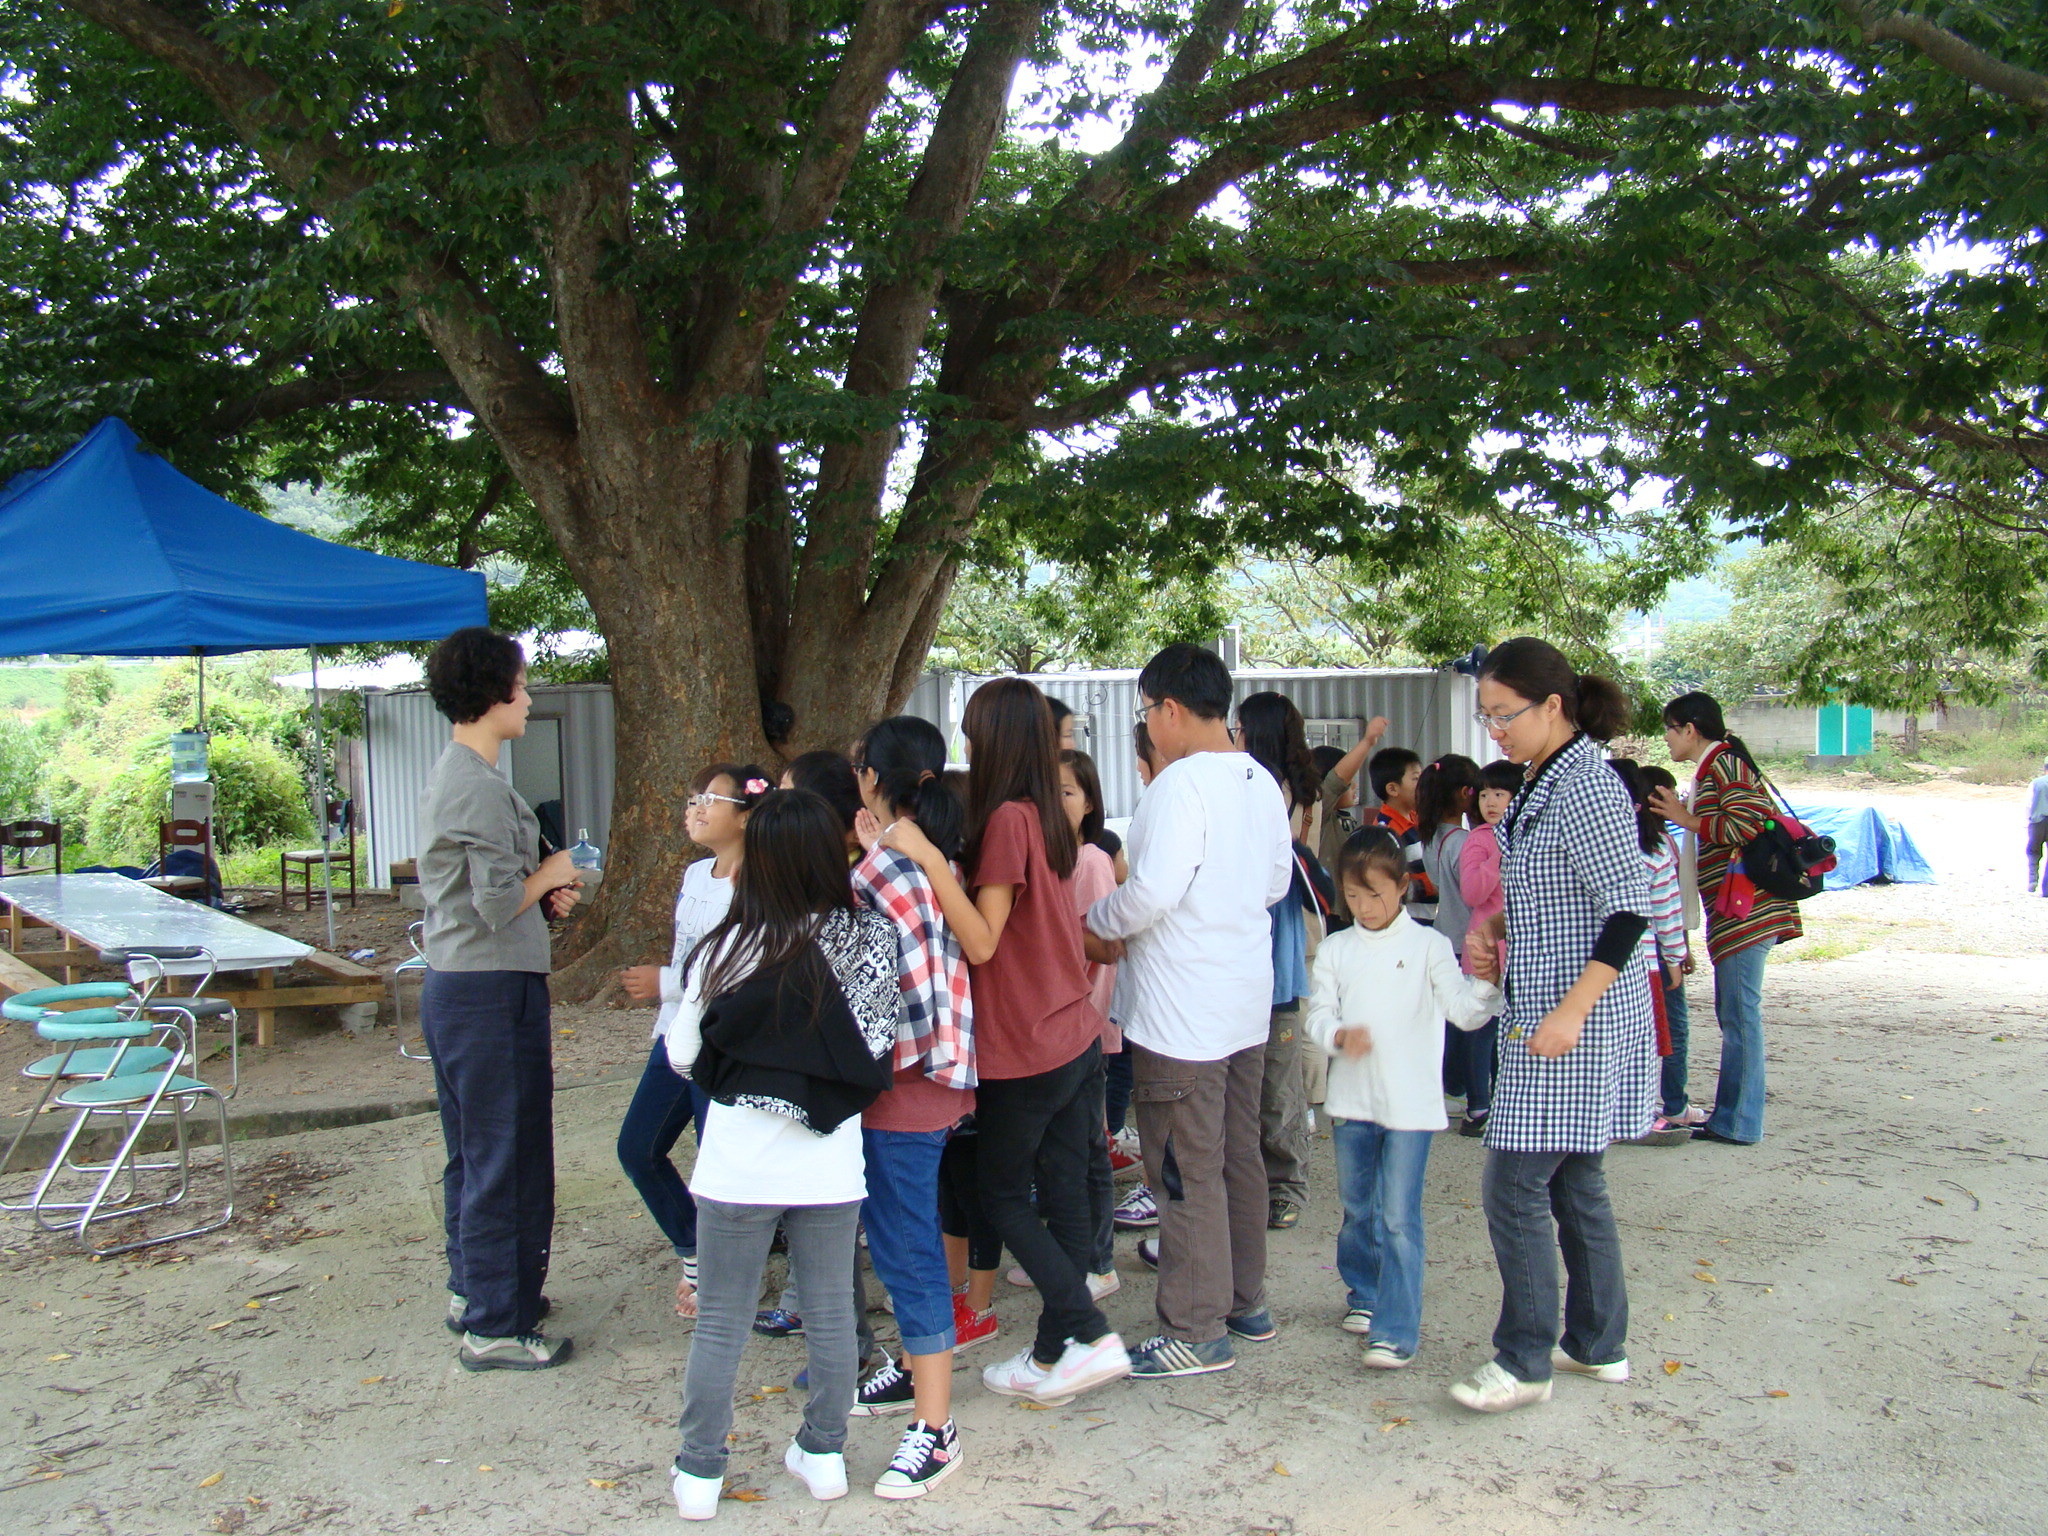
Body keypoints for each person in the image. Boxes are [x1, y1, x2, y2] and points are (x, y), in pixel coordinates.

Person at [881, 677, 1131, 1407]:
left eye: (972, 729)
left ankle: (1087, 1332)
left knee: (999, 1194)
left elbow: (984, 943)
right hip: (1073, 1029)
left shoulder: (1005, 824)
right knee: (1061, 1190)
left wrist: (927, 858)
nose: (965, 740)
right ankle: (1055, 1351)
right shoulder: (1043, 813)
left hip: (1027, 1043)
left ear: (995, 739)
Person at [667, 789, 900, 1521]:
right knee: (832, 1311)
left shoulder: (727, 946)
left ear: (759, 864)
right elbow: (879, 1046)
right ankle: (825, 1453)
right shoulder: (872, 939)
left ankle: (700, 1473)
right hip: (830, 1161)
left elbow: (681, 1054)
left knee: (723, 1319)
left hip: (737, 1165)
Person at [1453, 638, 1655, 1415]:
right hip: (1546, 1004)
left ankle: (1524, 1358)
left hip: (1578, 1017)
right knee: (1575, 1179)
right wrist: (1499, 925)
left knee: (1513, 1182)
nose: (1494, 732)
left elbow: (1627, 909)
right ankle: (1598, 1344)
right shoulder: (1541, 779)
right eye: (1486, 718)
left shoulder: (1589, 786)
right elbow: (1553, 888)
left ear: (1553, 707)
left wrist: (1572, 1013)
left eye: (1503, 715)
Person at [1087, 644, 1294, 1380]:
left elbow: (1149, 895)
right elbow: (1274, 884)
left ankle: (1195, 1327)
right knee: (1237, 1156)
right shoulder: (1259, 780)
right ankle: (1245, 1302)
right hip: (1242, 1003)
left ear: (1169, 709)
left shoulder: (1178, 787)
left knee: (1183, 1168)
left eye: (1146, 712)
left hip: (1182, 1015)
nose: (1149, 726)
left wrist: (1095, 921)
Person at [415, 628, 584, 1371]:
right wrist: (552, 874)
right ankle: (496, 1324)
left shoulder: (460, 774)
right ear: (494, 693)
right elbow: (492, 905)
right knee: (505, 1156)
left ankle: (478, 1288)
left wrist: (543, 895)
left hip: (462, 986)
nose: (528, 695)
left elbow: (484, 896)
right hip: (487, 992)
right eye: (521, 682)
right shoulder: (478, 787)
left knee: (475, 1150)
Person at [839, 715, 976, 1498]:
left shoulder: (882, 870)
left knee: (904, 1245)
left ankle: (937, 1429)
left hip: (900, 1082)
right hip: (933, 1076)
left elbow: (879, 992)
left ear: (872, 780)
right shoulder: (927, 856)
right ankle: (914, 1383)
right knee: (901, 1239)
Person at [1307, 829, 1501, 1368]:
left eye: (1375, 894)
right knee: (1357, 1209)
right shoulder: (1336, 947)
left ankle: (1395, 1330)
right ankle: (1364, 1294)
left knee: (1398, 1216)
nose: (1365, 908)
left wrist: (1485, 984)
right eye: (1353, 896)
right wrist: (1338, 1036)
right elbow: (1319, 1014)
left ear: (1401, 887)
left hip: (1411, 1108)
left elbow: (1464, 1012)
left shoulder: (1430, 946)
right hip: (1351, 1105)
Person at [617, 764, 772, 1308]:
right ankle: (697, 1250)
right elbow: (692, 955)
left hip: (721, 1046)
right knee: (637, 1148)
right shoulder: (692, 876)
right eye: (692, 798)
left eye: (710, 799)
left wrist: (665, 982)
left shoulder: (761, 885)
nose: (696, 808)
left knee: (719, 1164)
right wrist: (672, 990)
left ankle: (735, 1276)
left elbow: (740, 970)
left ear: (747, 817)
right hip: (673, 1037)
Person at [1648, 692, 1802, 1146]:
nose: (1667, 739)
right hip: (1735, 907)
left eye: (1670, 730)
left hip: (1747, 909)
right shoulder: (1716, 765)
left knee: (1739, 1013)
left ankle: (1738, 1122)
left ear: (1690, 729)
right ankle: (1732, 1115)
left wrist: (1685, 818)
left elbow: (1748, 824)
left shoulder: (1724, 765)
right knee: (1735, 1012)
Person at [1235, 690, 1319, 1232]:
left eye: (1239, 728)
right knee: (1261, 1078)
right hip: (1261, 938)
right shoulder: (1273, 785)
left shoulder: (1275, 791)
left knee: (1278, 1080)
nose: (1233, 737)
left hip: (1272, 935)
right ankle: (1262, 1183)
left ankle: (1286, 1185)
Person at [1622, 762, 1705, 1132]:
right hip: (1649, 959)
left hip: (1603, 962)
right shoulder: (1656, 850)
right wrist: (1676, 956)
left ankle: (1615, 1110)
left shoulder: (1604, 848)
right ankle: (1670, 1105)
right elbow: (1667, 910)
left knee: (1619, 1038)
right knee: (1666, 1033)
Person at [1110, 721, 1169, 1235]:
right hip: (1214, 997)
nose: (1136, 767)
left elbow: (1144, 898)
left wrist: (1093, 922)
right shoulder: (1246, 787)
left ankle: (1160, 1196)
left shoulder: (1166, 803)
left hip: (1168, 997)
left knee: (1167, 1109)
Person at [1454, 759, 1521, 1136]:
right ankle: (1477, 1108)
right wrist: (1499, 852)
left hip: (1521, 950)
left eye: (1499, 793)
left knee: (1509, 1033)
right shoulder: (1478, 840)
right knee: (1479, 1032)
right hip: (1484, 951)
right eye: (1484, 794)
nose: (1490, 802)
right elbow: (1473, 893)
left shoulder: (1530, 834)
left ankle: (1507, 1101)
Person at [1416, 754, 1483, 1126]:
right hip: (1467, 939)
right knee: (1473, 1021)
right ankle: (1464, 1090)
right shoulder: (1464, 842)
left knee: (1452, 1020)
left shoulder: (1432, 838)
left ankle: (1450, 1087)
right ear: (1463, 794)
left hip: (1446, 935)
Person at [1312, 719, 1391, 877]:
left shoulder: (1345, 819)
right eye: (1348, 781)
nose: (1354, 785)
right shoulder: (1318, 813)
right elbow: (1336, 780)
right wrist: (1368, 741)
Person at [1369, 747, 1435, 924]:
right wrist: (1437, 886)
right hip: (1409, 921)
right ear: (1393, 789)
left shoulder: (1417, 819)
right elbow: (1386, 883)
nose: (1422, 784)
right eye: (1415, 779)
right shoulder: (1386, 832)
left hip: (1429, 917)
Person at [2027, 756, 2048, 896]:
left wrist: (2027, 822)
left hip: (2037, 822)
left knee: (2034, 851)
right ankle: (2046, 890)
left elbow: (2028, 805)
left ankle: (2033, 879)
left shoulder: (2036, 783)